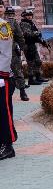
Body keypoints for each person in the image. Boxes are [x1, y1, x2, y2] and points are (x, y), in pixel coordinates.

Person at [0, 12, 18, 160]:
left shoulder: (2, 26)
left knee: (3, 111)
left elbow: (6, 54)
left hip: (1, 77)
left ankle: (8, 145)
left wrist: (2, 74)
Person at [2, 5, 28, 101]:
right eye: (8, 14)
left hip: (11, 51)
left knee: (17, 71)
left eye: (11, 14)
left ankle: (22, 91)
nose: (10, 16)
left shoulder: (12, 22)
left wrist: (22, 48)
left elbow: (19, 36)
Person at [19, 9, 48, 85]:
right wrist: (37, 33)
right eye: (28, 15)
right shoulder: (23, 23)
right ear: (24, 16)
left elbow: (35, 36)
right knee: (31, 63)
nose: (29, 17)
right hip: (27, 45)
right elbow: (28, 34)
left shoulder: (31, 23)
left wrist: (42, 41)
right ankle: (31, 80)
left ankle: (38, 77)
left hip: (32, 45)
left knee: (38, 61)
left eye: (30, 15)